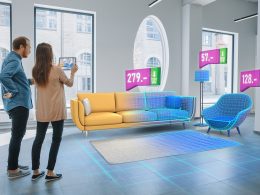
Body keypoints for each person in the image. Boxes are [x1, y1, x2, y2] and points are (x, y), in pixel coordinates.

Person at [31, 43, 78, 182]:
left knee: (38, 140)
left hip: (42, 110)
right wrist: (72, 73)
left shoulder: (35, 70)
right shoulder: (57, 70)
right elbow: (69, 83)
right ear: (49, 54)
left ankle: (36, 171)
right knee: (56, 140)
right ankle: (50, 171)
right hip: (56, 110)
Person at [0, 36, 33, 179]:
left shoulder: (13, 58)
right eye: (29, 47)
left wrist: (32, 81)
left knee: (17, 136)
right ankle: (12, 170)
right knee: (17, 136)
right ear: (21, 46)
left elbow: (16, 79)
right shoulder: (14, 59)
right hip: (18, 104)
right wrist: (13, 91)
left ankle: (13, 165)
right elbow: (3, 76)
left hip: (16, 104)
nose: (30, 50)